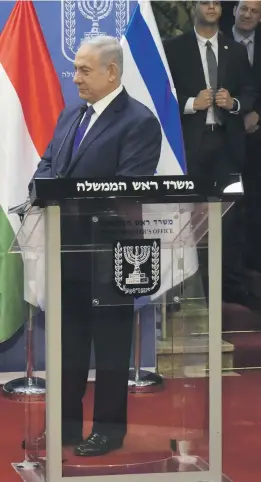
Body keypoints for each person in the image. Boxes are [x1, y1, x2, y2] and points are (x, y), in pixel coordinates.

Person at [27, 36, 162, 456]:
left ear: (112, 72)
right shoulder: (71, 114)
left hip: (109, 253)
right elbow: (47, 166)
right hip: (66, 249)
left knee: (110, 347)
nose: (76, 78)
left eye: (85, 70)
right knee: (68, 347)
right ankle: (65, 428)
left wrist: (64, 195)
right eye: (76, 69)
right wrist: (44, 188)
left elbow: (127, 187)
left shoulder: (139, 122)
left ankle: (108, 430)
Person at [163, 1, 258, 308]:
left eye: (216, 3)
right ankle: (183, 289)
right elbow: (162, 95)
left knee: (227, 222)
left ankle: (222, 289)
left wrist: (235, 104)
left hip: (226, 147)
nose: (212, 7)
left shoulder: (235, 50)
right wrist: (192, 103)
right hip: (191, 146)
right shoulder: (174, 48)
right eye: (205, 3)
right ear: (195, 9)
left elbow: (249, 92)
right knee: (185, 219)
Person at [230, 1, 261, 275]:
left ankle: (253, 268)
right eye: (244, 9)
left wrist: (257, 114)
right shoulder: (216, 38)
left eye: (255, 11)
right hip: (224, 136)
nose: (248, 15)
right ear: (234, 11)